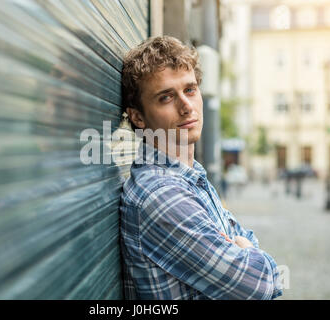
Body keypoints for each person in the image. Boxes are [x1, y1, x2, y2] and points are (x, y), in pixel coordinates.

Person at [119, 36, 283, 300]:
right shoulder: (161, 196)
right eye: (166, 97)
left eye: (190, 90)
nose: (186, 106)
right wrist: (242, 249)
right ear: (138, 117)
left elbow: (245, 240)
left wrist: (243, 248)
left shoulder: (190, 176)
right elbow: (258, 285)